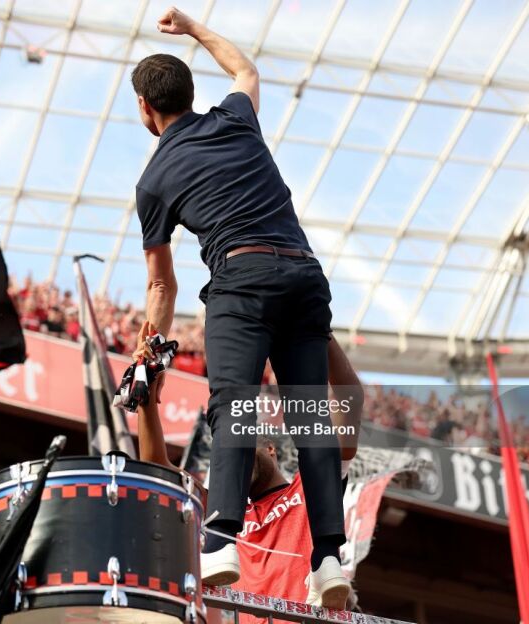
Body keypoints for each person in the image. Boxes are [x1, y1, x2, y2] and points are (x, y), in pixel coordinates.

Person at [131, 6, 349, 607]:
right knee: (310, 413)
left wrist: (149, 350)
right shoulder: (234, 117)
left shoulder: (153, 181)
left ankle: (221, 539)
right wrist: (193, 28)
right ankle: (329, 558)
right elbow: (245, 68)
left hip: (242, 278)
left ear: (146, 109)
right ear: (190, 93)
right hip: (305, 276)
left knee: (234, 405)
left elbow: (161, 286)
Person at [137, 324, 363, 618]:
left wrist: (314, 323)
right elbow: (156, 465)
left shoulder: (310, 487)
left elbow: (350, 396)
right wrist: (145, 388)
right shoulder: (223, 515)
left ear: (270, 448)